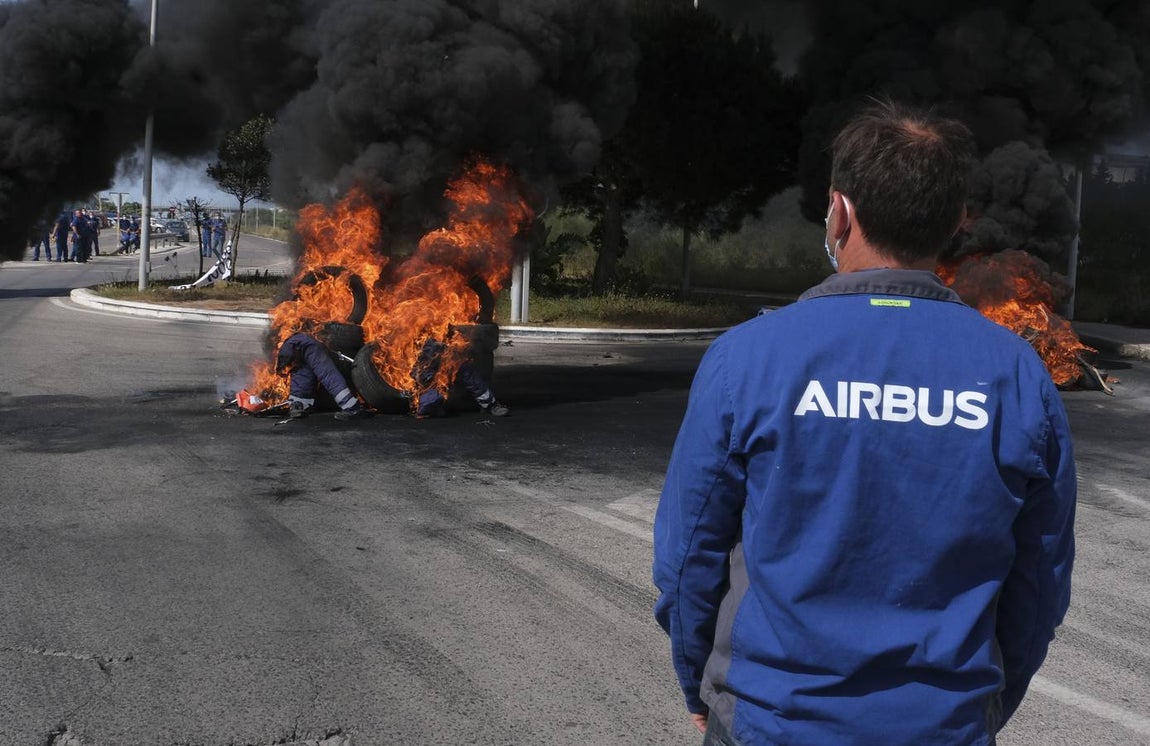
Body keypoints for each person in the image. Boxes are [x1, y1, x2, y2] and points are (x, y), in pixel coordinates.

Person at [652, 100, 1076, 746]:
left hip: (772, 724)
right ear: (953, 224)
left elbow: (687, 561)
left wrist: (699, 684)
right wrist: (980, 710)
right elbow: (1040, 587)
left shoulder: (747, 360)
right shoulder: (1018, 377)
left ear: (839, 213)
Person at [276, 330, 370, 420]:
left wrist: (281, 367)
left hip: (304, 347)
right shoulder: (297, 342)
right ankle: (300, 404)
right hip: (302, 347)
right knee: (304, 372)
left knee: (326, 375)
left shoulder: (291, 344)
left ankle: (352, 407)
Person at [411, 336, 510, 418]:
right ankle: (434, 406)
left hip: (447, 369)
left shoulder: (452, 353)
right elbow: (421, 377)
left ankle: (490, 404)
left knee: (464, 366)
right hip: (428, 382)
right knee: (427, 406)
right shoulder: (418, 354)